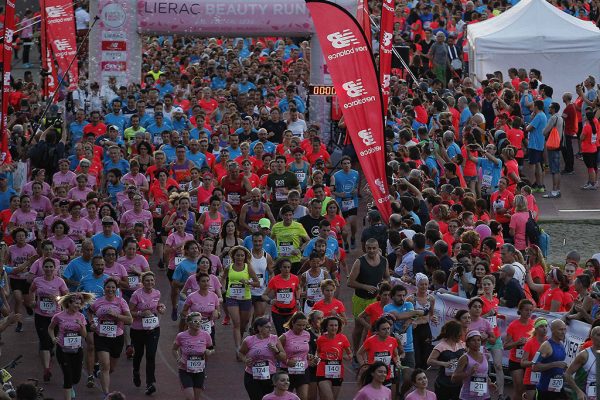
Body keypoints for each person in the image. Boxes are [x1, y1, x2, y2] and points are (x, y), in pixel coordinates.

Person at [348, 238, 390, 367]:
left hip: (375, 300)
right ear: (365, 248)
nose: (371, 250)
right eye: (369, 248)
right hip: (360, 299)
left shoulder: (384, 261)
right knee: (359, 327)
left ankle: (371, 354)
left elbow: (387, 276)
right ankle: (356, 353)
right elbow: (350, 282)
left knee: (373, 328)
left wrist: (385, 283)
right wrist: (366, 287)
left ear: (378, 248)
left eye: (374, 248)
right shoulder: (359, 262)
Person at [89, 277, 133, 396]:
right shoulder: (97, 302)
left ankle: (100, 373)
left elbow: (130, 320)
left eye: (113, 287)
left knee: (111, 368)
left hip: (117, 338)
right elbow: (90, 312)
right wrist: (92, 323)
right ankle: (106, 394)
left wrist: (116, 315)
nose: (110, 289)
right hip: (101, 337)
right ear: (104, 288)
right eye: (108, 287)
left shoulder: (121, 302)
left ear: (116, 289)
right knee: (105, 366)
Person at [48, 292, 94, 400]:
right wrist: (53, 338)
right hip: (63, 350)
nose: (78, 306)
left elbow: (84, 335)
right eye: (76, 303)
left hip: (77, 350)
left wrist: (81, 325)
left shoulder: (81, 316)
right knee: (68, 377)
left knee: (76, 378)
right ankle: (68, 390)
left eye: (79, 304)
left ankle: (70, 385)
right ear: (69, 303)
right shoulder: (58, 316)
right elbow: (50, 328)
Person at [29, 258, 69, 381]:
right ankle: (46, 369)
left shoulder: (60, 281)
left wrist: (57, 298)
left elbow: (67, 297)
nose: (48, 269)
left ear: (55, 268)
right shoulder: (37, 280)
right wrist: (33, 301)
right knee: (44, 341)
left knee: (52, 341)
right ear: (43, 268)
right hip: (40, 316)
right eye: (46, 267)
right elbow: (31, 290)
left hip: (56, 317)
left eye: (51, 267)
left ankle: (50, 353)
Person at [128, 271, 165, 395]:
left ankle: (150, 383)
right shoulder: (136, 295)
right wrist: (140, 314)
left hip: (153, 329)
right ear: (142, 282)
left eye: (152, 280)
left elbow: (157, 306)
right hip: (138, 330)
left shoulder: (157, 293)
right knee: (138, 354)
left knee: (150, 355)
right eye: (147, 280)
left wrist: (161, 308)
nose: (150, 282)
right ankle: (136, 371)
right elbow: (129, 312)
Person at [222, 246, 260, 357]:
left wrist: (248, 282)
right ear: (233, 256)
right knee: (236, 323)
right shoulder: (229, 267)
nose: (239, 257)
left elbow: (257, 283)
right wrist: (223, 288)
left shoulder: (248, 267)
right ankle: (238, 348)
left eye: (242, 255)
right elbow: (223, 277)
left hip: (245, 299)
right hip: (232, 298)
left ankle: (242, 337)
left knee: (244, 323)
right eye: (237, 255)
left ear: (245, 257)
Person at [239, 317, 287, 400]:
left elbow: (283, 357)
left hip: (270, 376)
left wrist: (276, 351)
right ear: (259, 328)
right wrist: (245, 360)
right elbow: (241, 353)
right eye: (267, 327)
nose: (270, 329)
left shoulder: (274, 338)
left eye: (270, 327)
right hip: (252, 376)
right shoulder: (249, 340)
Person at [172, 312, 215, 400]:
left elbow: (211, 348)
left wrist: (209, 352)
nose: (198, 323)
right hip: (185, 370)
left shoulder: (206, 335)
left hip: (199, 371)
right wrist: (178, 359)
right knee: (190, 397)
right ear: (188, 323)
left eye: (200, 321)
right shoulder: (181, 336)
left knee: (196, 398)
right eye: (195, 321)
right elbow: (174, 349)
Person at [356, 317, 401, 387]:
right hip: (373, 375)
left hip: (386, 375)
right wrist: (364, 365)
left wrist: (397, 361)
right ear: (377, 331)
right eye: (384, 329)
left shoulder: (393, 340)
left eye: (388, 328)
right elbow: (359, 353)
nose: (387, 331)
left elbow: (395, 355)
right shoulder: (370, 341)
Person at [451, 330, 496, 400]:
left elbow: (484, 374)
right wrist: (469, 373)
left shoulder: (486, 356)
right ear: (468, 343)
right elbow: (454, 378)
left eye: (478, 340)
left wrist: (489, 383)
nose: (476, 343)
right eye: (473, 340)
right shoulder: (464, 358)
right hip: (468, 396)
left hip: (484, 396)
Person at [315, 315, 352, 400]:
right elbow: (317, 352)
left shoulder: (343, 338)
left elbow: (350, 353)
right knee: (329, 398)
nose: (334, 327)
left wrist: (348, 356)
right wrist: (317, 358)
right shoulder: (321, 339)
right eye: (331, 325)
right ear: (326, 327)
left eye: (336, 325)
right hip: (322, 371)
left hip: (337, 372)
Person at [504, 299, 535, 400]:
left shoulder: (534, 325)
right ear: (520, 310)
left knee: (529, 390)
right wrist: (517, 343)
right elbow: (505, 346)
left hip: (528, 361)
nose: (529, 312)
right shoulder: (513, 325)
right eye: (526, 310)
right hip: (516, 361)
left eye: (531, 310)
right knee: (519, 387)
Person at [427, 320, 466, 400]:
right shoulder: (441, 346)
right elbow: (429, 361)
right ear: (452, 333)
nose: (461, 335)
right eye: (459, 333)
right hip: (443, 382)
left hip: (458, 382)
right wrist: (443, 363)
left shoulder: (462, 345)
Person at [262, 258, 300, 336]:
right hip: (277, 312)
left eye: (288, 267)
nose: (287, 269)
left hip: (291, 311)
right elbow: (264, 295)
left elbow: (298, 288)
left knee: (291, 334)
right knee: (281, 334)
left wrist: (298, 299)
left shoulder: (295, 278)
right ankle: (281, 348)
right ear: (280, 268)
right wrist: (270, 301)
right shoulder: (274, 280)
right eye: (284, 267)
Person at [531, 319, 568, 399]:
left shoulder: (561, 344)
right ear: (553, 330)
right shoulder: (546, 346)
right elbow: (534, 367)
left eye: (565, 329)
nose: (563, 332)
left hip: (558, 388)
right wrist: (555, 364)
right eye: (560, 329)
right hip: (544, 390)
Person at [278, 312, 311, 400]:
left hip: (303, 369)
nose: (301, 328)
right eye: (299, 325)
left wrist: (309, 357)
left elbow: (305, 351)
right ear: (293, 323)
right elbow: (276, 353)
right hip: (287, 371)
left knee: (303, 397)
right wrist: (287, 361)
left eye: (304, 325)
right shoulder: (284, 337)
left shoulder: (307, 335)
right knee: (286, 398)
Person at [407, 273, 436, 369]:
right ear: (417, 285)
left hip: (426, 328)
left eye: (426, 284)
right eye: (421, 284)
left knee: (426, 352)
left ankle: (423, 375)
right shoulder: (411, 299)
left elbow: (431, 314)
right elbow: (407, 315)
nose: (424, 287)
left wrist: (433, 318)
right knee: (416, 352)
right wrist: (412, 322)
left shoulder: (431, 298)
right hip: (414, 329)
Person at [565, 325, 600, 400]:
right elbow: (567, 374)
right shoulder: (584, 355)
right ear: (591, 337)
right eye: (598, 335)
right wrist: (578, 391)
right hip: (584, 396)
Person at [520, 317, 549, 400]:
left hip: (544, 376)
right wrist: (533, 362)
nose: (544, 329)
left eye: (546, 326)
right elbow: (522, 362)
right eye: (541, 326)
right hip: (531, 377)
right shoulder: (530, 343)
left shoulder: (549, 342)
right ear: (536, 329)